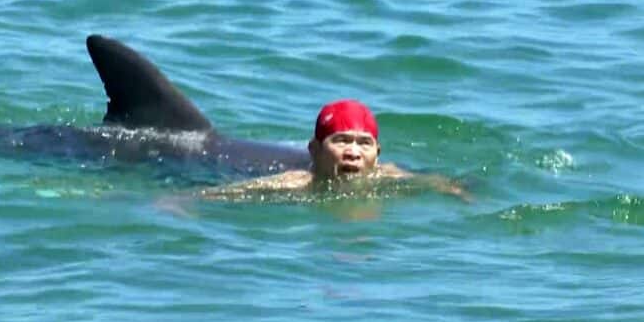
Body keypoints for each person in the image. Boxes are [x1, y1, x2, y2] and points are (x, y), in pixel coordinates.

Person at [199, 99, 468, 200]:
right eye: (341, 141)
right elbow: (227, 193)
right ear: (314, 150)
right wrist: (187, 199)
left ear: (378, 152)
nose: (353, 152)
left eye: (364, 143)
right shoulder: (298, 181)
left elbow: (432, 182)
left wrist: (455, 189)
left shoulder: (387, 174)